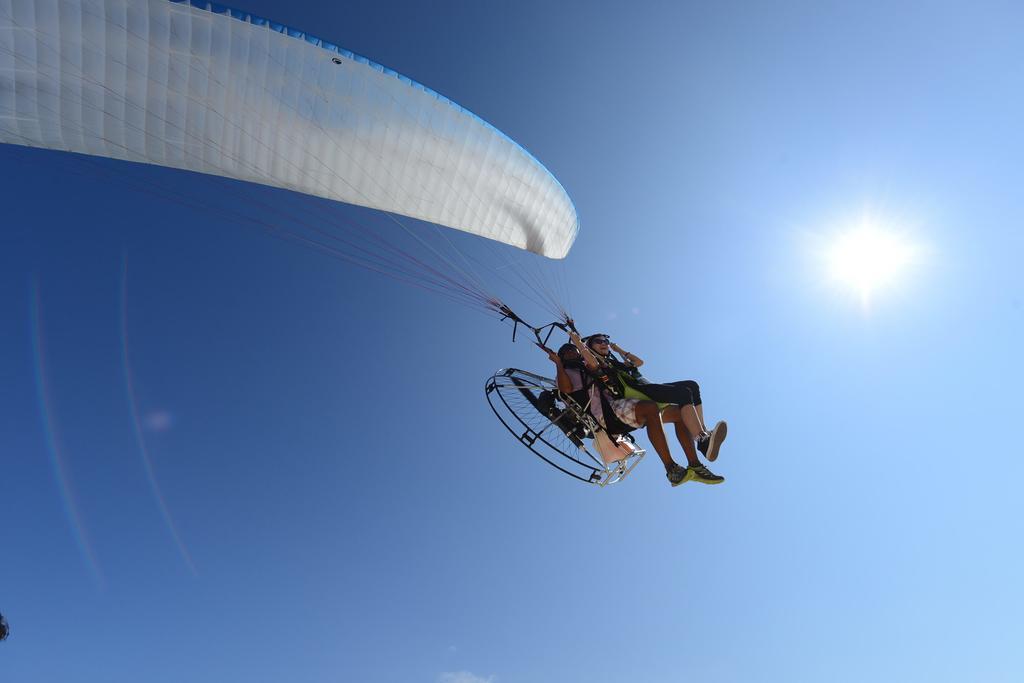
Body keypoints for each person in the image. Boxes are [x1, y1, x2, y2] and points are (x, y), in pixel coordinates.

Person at [538, 335, 723, 487]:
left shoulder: (587, 367)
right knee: (652, 408)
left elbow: (595, 364)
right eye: (566, 353)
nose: (571, 353)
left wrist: (585, 344)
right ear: (562, 358)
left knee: (680, 413)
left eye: (573, 351)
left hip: (617, 406)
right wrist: (558, 364)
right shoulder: (565, 372)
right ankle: (672, 469)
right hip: (604, 416)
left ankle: (696, 465)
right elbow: (566, 389)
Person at [585, 333, 728, 463]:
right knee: (683, 393)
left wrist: (619, 350)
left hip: (648, 386)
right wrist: (577, 340)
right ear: (591, 347)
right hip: (637, 391)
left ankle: (703, 433)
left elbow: (639, 362)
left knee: (692, 386)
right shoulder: (600, 364)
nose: (604, 343)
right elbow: (590, 360)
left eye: (605, 341)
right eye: (598, 341)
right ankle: (701, 440)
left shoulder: (617, 362)